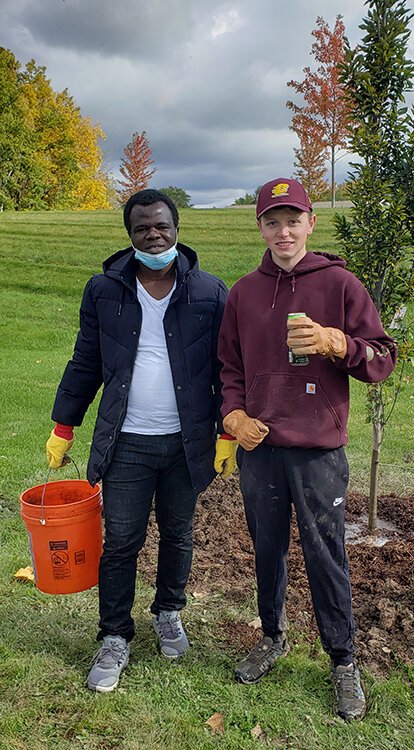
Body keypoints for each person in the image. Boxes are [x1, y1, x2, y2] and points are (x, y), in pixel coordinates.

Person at [216, 177, 397, 721]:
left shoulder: (340, 284)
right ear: (260, 228)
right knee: (266, 548)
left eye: (293, 219)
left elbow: (382, 359)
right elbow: (228, 368)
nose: (284, 230)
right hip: (261, 447)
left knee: (325, 553)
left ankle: (343, 660)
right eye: (273, 221)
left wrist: (338, 343)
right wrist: (233, 416)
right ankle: (273, 636)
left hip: (318, 449)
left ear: (311, 222)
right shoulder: (244, 292)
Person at [45, 189, 236, 692]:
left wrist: (225, 432)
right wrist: (64, 426)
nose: (154, 236)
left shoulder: (210, 293)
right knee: (121, 542)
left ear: (177, 228)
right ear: (130, 235)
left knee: (179, 534)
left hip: (185, 444)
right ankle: (114, 636)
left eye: (161, 226)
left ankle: (169, 612)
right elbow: (86, 360)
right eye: (142, 229)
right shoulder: (103, 291)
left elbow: (225, 370)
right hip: (126, 442)